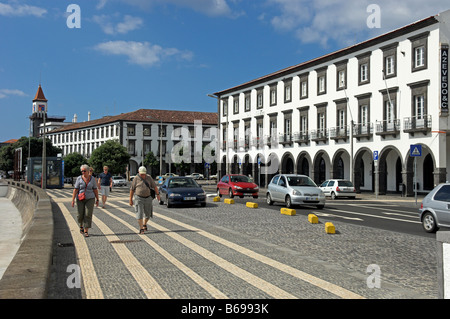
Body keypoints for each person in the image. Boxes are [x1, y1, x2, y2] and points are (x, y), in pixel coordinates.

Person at [129, 166, 160, 234]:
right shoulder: (136, 178)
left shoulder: (149, 177)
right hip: (138, 198)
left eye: (144, 174)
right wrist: (130, 199)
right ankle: (141, 228)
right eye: (141, 174)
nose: (143, 175)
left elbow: (154, 186)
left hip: (148, 198)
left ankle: (144, 223)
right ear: (139, 172)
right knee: (139, 214)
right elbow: (132, 189)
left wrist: (158, 195)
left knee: (148, 214)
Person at [72, 164, 99, 237]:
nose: (83, 172)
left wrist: (97, 199)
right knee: (80, 214)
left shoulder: (92, 179)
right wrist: (73, 199)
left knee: (88, 214)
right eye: (82, 171)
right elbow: (76, 189)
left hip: (90, 198)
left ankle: (86, 230)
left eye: (84, 171)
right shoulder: (79, 178)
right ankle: (81, 225)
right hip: (80, 198)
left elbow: (95, 189)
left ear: (88, 171)